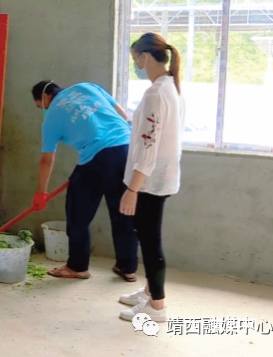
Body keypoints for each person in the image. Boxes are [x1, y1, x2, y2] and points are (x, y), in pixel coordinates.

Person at [31, 80, 138, 281]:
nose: (43, 110)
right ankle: (127, 267)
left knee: (77, 213)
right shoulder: (88, 87)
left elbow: (47, 159)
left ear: (45, 97)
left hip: (97, 157)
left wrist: (40, 193)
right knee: (123, 211)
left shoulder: (52, 115)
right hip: (128, 150)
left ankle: (77, 266)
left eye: (40, 106)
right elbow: (123, 114)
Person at [118, 32, 186, 323]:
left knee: (149, 241)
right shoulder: (170, 87)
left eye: (136, 60)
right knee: (148, 236)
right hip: (161, 176)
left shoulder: (156, 92)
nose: (136, 65)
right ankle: (149, 291)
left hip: (150, 180)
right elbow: (148, 131)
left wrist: (133, 188)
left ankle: (157, 306)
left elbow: (149, 145)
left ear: (145, 57)